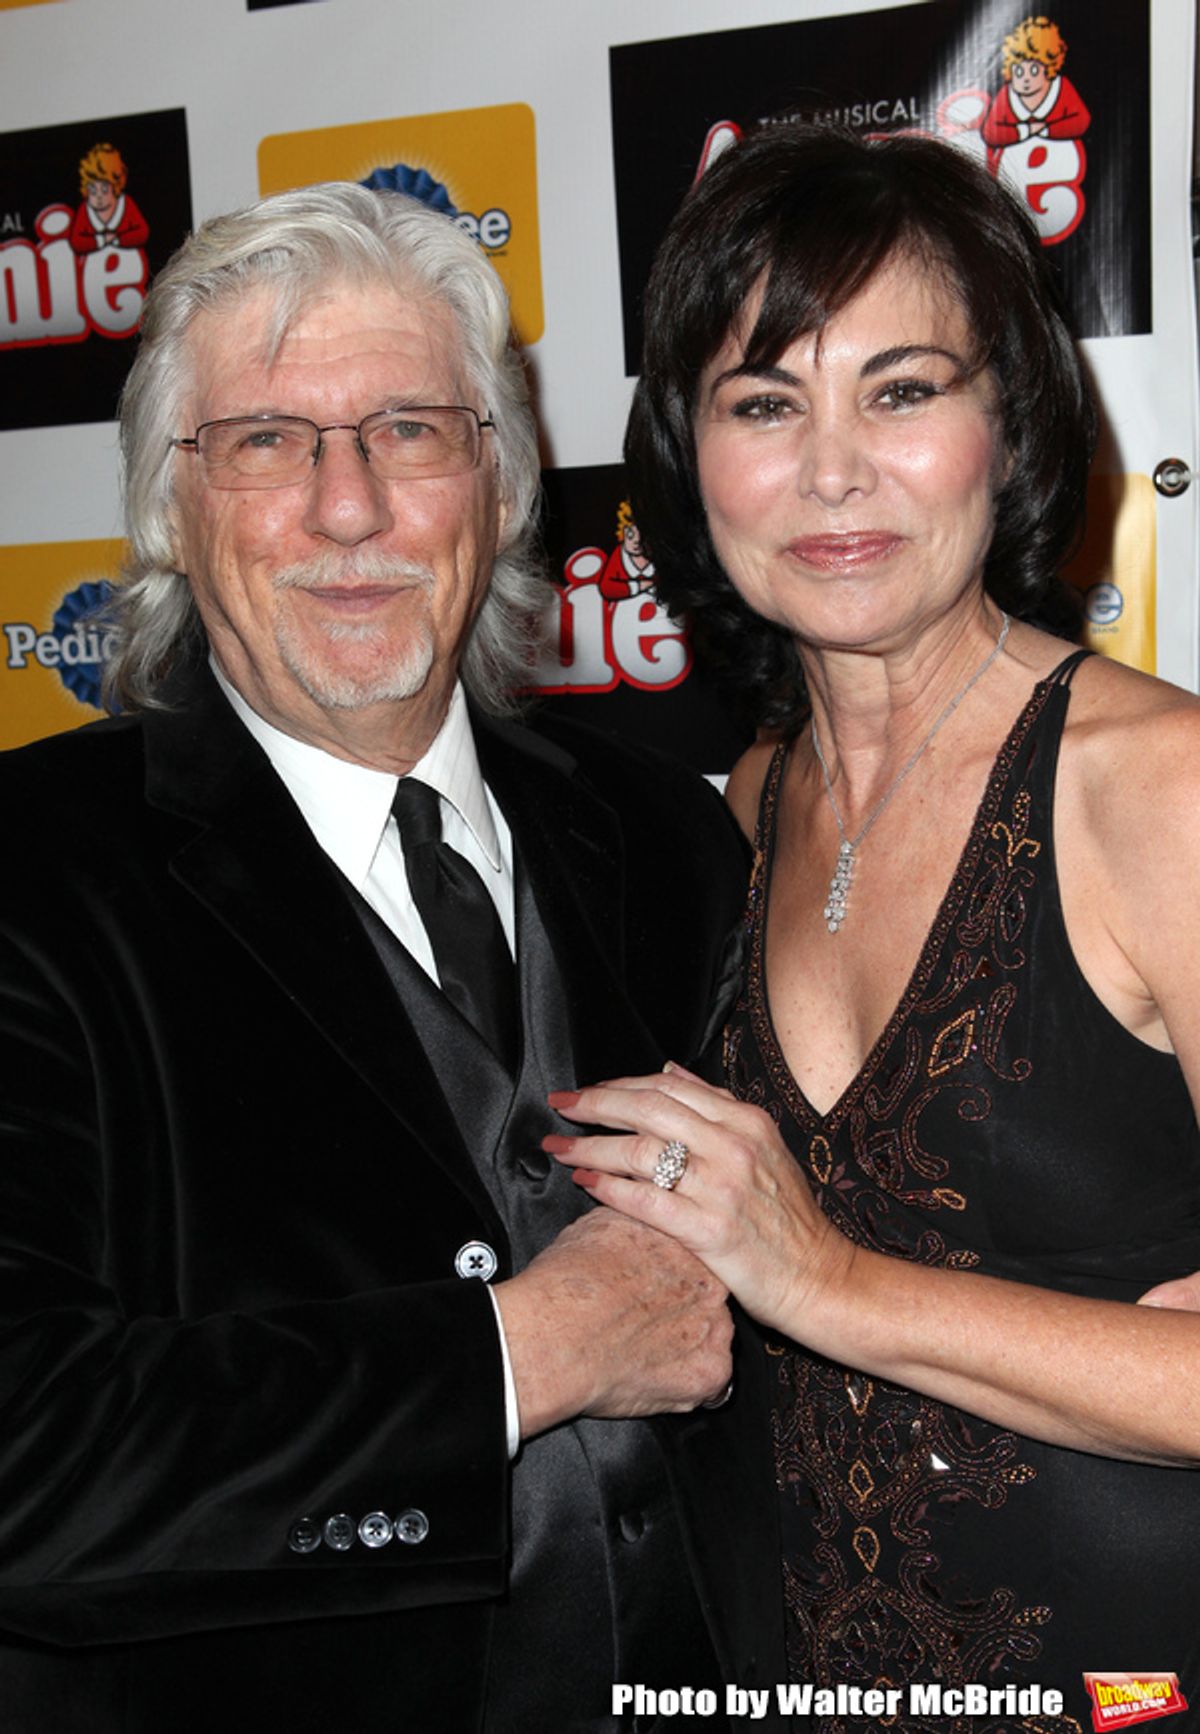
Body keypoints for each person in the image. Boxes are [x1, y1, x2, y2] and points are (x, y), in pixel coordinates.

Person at [0, 183, 786, 1732]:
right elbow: (28, 1466)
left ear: (495, 483)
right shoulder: (32, 873)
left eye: (411, 431)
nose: (347, 507)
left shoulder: (667, 841)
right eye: (268, 441)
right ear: (171, 508)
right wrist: (525, 1349)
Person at [546, 125, 1200, 1729]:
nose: (831, 472)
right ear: (690, 455)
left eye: (902, 390)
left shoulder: (1159, 791)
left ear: (1009, 419)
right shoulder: (745, 806)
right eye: (765, 404)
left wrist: (824, 1275)